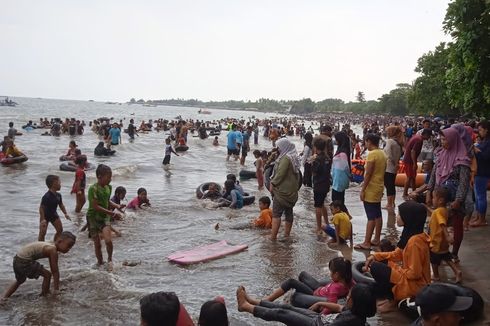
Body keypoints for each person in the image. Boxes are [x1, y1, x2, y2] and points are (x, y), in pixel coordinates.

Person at [364, 201, 430, 313]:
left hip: (417, 285)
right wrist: (375, 256)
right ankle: (392, 298)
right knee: (381, 263)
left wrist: (396, 270)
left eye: (399, 214)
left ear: (408, 217)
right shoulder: (411, 234)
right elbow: (397, 254)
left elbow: (415, 273)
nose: (396, 217)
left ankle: (393, 301)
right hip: (410, 279)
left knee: (377, 268)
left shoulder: (415, 242)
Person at [426, 127, 471, 263]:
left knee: (456, 226)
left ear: (453, 140)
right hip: (440, 196)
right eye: (442, 138)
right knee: (437, 225)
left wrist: (458, 201)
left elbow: (464, 182)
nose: (442, 141)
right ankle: (436, 251)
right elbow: (434, 174)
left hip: (455, 199)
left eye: (445, 138)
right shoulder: (441, 154)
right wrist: (429, 191)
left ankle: (454, 253)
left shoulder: (462, 159)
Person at [236, 283, 376, 326]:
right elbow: (339, 307)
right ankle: (253, 301)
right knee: (287, 307)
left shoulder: (352, 321)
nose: (347, 296)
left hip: (313, 324)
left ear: (355, 302)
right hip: (318, 319)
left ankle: (246, 307)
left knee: (282, 314)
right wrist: (320, 302)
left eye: (349, 296)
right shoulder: (356, 312)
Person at [2, 231, 76, 300]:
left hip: (17, 259)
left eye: (71, 247)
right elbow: (55, 271)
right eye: (68, 246)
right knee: (47, 275)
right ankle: (45, 295)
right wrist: (56, 290)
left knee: (20, 280)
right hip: (24, 261)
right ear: (60, 241)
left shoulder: (50, 244)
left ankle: (4, 297)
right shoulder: (52, 250)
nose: (69, 249)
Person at [263, 257, 353, 311]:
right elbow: (354, 286)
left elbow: (331, 304)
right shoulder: (348, 281)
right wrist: (349, 293)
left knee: (291, 282)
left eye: (331, 272)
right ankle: (299, 295)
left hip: (315, 295)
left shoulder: (335, 288)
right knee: (303, 274)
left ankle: (268, 300)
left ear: (337, 274)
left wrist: (320, 314)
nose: (330, 274)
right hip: (320, 289)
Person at [86, 164, 123, 271]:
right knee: (97, 244)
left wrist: (116, 206)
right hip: (93, 218)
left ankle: (110, 260)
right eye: (108, 177)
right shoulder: (93, 189)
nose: (110, 179)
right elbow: (95, 206)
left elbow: (107, 201)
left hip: (104, 218)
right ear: (99, 176)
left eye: (111, 177)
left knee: (108, 240)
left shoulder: (108, 187)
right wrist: (112, 214)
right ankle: (100, 262)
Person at [355, 133, 386, 250]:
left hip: (371, 188)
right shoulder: (382, 153)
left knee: (371, 216)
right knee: (377, 214)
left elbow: (368, 174)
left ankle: (367, 242)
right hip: (379, 186)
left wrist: (363, 189)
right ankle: (376, 238)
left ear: (368, 141)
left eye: (365, 142)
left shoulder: (372, 155)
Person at [428, 187, 462, 283]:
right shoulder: (444, 210)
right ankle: (457, 271)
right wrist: (427, 208)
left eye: (433, 198)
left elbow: (442, 223)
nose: (432, 200)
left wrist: (447, 235)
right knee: (447, 257)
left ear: (440, 200)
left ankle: (436, 275)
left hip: (436, 241)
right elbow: (435, 214)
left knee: (434, 259)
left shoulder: (438, 211)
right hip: (443, 242)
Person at [269, 138, 301, 241]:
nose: (277, 149)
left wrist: (273, 183)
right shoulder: (294, 157)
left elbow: (280, 174)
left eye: (279, 147)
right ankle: (287, 235)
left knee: (276, 213)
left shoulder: (286, 159)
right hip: (292, 191)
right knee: (289, 212)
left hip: (282, 191)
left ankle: (273, 237)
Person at [38, 175, 71, 241]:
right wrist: (42, 219)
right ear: (54, 183)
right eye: (59, 182)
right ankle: (40, 247)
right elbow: (41, 208)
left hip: (53, 215)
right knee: (42, 233)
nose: (60, 184)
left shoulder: (58, 195)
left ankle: (55, 244)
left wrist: (65, 213)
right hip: (45, 216)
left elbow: (61, 205)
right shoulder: (46, 196)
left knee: (60, 230)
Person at [470, 120, 490, 227]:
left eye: (481, 130)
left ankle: (482, 219)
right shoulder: (484, 141)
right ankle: (478, 216)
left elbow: (486, 156)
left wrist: (477, 150)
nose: (479, 132)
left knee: (481, 196)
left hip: (483, 171)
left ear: (486, 130)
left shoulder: (488, 143)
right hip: (479, 171)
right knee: (477, 196)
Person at [403, 129, 432, 198]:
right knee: (409, 177)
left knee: (413, 177)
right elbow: (413, 151)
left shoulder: (416, 137)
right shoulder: (419, 140)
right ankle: (405, 193)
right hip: (410, 160)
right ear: (426, 135)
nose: (429, 138)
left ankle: (414, 192)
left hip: (408, 159)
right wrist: (414, 163)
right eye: (429, 136)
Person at [312, 137, 331, 235]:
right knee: (322, 203)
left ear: (316, 147)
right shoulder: (327, 158)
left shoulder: (317, 159)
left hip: (318, 184)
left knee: (318, 206)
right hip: (326, 183)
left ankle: (319, 228)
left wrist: (312, 161)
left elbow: (314, 173)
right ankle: (327, 223)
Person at [383, 126, 404, 209]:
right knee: (392, 185)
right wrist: (396, 163)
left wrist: (394, 163)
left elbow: (388, 154)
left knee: (388, 185)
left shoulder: (390, 141)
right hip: (394, 168)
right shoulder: (398, 143)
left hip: (388, 166)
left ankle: (389, 204)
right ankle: (393, 203)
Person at [331, 131, 351, 205]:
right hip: (338, 180)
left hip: (339, 180)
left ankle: (342, 215)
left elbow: (345, 168)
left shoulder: (342, 153)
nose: (335, 141)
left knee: (337, 201)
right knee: (339, 201)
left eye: (336, 139)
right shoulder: (342, 150)